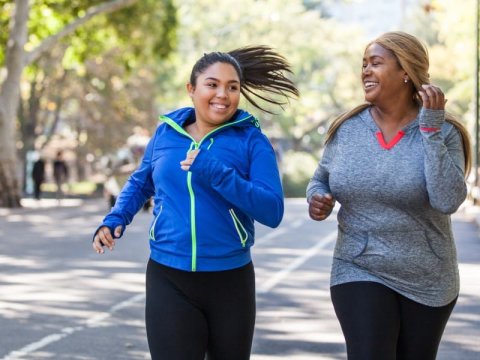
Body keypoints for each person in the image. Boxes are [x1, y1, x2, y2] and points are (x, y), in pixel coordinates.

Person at [92, 45, 299, 360]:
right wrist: (116, 218)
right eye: (212, 84)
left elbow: (271, 210)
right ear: (191, 89)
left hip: (230, 281)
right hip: (168, 276)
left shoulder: (251, 140)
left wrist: (216, 172)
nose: (223, 94)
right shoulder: (165, 135)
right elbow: (140, 181)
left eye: (232, 87)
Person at [306, 31, 471, 360]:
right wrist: (318, 197)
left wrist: (430, 130)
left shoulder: (443, 131)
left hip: (428, 279)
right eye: (363, 64)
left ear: (405, 72)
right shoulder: (347, 129)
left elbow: (447, 200)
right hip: (358, 266)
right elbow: (320, 179)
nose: (365, 70)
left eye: (376, 63)